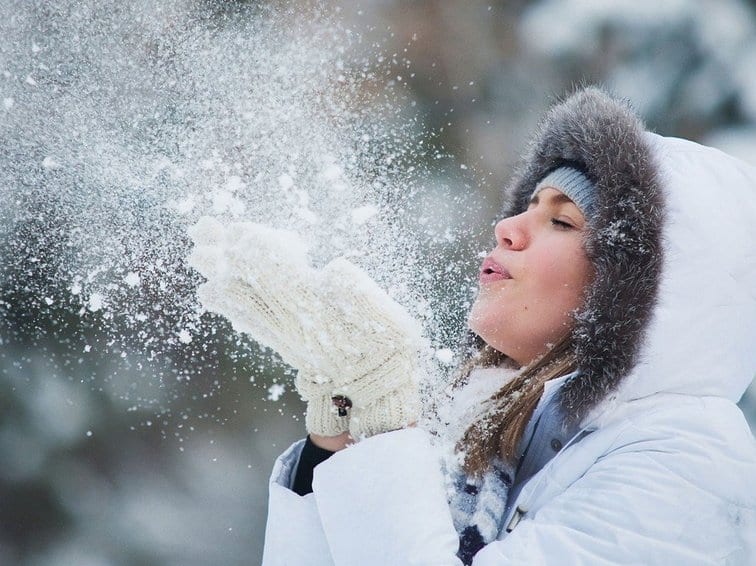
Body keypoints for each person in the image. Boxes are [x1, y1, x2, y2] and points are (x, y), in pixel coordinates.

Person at [188, 87, 756, 564]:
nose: (507, 225)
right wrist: (340, 434)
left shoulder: (687, 461)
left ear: (635, 289)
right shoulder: (497, 429)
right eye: (526, 205)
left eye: (560, 220)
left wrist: (386, 430)